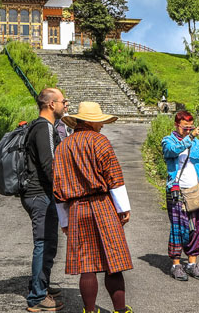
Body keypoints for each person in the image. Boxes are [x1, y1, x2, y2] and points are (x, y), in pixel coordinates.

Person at [53, 101, 134, 313]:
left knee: (87, 264)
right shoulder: (100, 142)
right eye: (98, 122)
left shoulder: (62, 147)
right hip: (103, 205)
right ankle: (120, 311)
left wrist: (64, 220)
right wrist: (123, 208)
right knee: (112, 262)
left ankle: (89, 311)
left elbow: (58, 188)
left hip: (77, 209)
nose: (102, 125)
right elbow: (114, 177)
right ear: (89, 121)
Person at [161, 110, 199, 281]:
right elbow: (172, 151)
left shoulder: (196, 143)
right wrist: (191, 137)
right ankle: (176, 265)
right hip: (177, 192)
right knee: (178, 229)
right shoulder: (168, 140)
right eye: (185, 129)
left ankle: (192, 264)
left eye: (191, 128)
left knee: (196, 228)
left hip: (196, 191)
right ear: (176, 125)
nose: (188, 131)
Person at [22, 88, 67, 312]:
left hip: (40, 194)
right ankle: (37, 297)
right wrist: (64, 192)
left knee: (48, 243)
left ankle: (42, 286)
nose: (65, 104)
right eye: (62, 101)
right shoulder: (44, 128)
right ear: (51, 104)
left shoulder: (41, 126)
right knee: (43, 243)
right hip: (40, 194)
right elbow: (50, 166)